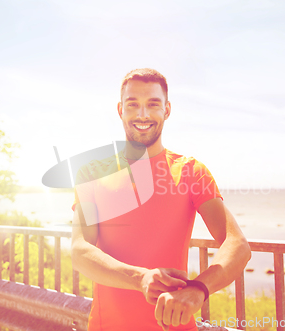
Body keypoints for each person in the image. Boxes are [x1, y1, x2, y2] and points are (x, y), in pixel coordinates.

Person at [71, 68, 251, 331]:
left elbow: (238, 245)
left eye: (153, 104)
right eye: (133, 105)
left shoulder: (191, 171)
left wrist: (198, 289)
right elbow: (79, 251)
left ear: (167, 110)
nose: (142, 114)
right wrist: (141, 278)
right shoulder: (90, 174)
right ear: (120, 110)